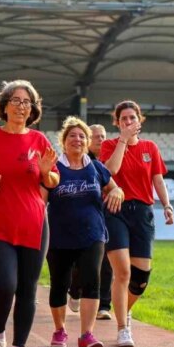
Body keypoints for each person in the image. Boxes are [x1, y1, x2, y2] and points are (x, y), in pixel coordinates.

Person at [0, 80, 59, 347]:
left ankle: (19, 345)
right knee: (5, 284)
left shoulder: (39, 140)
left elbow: (53, 181)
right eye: (16, 101)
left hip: (35, 224)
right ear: (4, 106)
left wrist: (44, 171)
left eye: (27, 102)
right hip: (0, 224)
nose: (21, 106)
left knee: (27, 289)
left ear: (32, 110)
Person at [99, 100, 174, 347]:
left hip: (143, 212)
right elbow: (109, 172)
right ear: (117, 122)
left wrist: (166, 205)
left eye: (132, 118)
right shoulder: (110, 145)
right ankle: (123, 328)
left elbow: (158, 180)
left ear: (139, 120)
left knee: (141, 278)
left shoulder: (150, 147)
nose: (129, 122)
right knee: (122, 272)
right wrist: (123, 139)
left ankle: (125, 310)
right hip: (115, 210)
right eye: (124, 119)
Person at [45, 117, 124, 347]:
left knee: (92, 281)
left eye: (81, 136)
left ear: (87, 142)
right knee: (59, 284)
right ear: (64, 140)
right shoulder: (53, 168)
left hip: (93, 235)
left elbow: (114, 187)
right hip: (59, 237)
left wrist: (118, 192)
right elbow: (40, 201)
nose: (77, 139)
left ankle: (86, 335)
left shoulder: (96, 167)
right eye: (72, 135)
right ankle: (59, 331)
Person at [68, 124, 114, 321]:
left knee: (106, 262)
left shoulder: (108, 158)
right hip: (80, 218)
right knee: (80, 264)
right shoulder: (85, 162)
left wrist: (117, 191)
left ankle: (104, 304)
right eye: (96, 136)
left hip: (107, 215)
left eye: (103, 136)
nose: (100, 140)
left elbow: (114, 182)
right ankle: (74, 289)